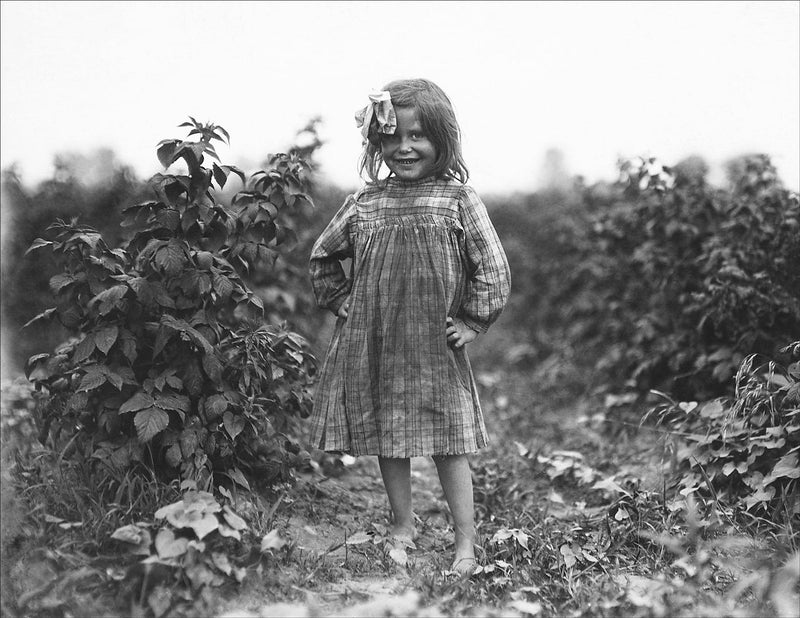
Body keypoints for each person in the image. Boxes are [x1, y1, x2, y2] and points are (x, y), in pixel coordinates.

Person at [308, 78, 510, 575]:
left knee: (449, 440)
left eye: (417, 135)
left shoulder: (459, 200)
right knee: (386, 434)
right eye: (392, 136)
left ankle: (466, 540)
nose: (404, 147)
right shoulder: (366, 203)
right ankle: (403, 524)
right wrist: (341, 301)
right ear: (377, 142)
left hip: (434, 345)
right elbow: (323, 256)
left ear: (443, 139)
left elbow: (494, 267)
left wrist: (472, 320)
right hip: (375, 342)